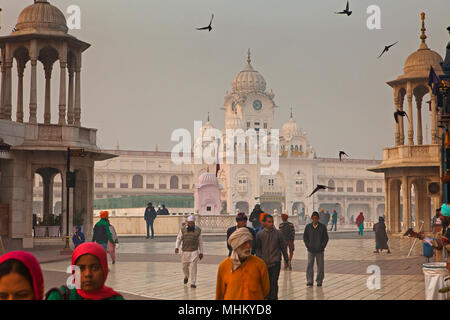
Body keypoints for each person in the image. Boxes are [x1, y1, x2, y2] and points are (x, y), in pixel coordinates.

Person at [46, 242, 124, 300]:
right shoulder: (59, 297)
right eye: (81, 268)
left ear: (104, 270)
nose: (88, 274)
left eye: (95, 268)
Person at [216, 227, 270, 300]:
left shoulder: (260, 264)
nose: (248, 246)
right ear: (236, 245)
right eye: (244, 243)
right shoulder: (224, 266)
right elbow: (220, 294)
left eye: (249, 242)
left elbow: (265, 289)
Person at [255, 214, 289, 300]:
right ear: (265, 223)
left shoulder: (278, 233)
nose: (271, 224)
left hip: (275, 262)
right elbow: (258, 249)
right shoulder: (260, 234)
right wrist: (260, 259)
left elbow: (283, 247)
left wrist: (286, 259)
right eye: (269, 222)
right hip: (264, 263)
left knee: (274, 283)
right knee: (265, 283)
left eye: (272, 222)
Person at [175, 215, 204, 288]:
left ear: (194, 223)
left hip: (194, 251)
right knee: (184, 267)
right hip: (185, 251)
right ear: (187, 223)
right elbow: (179, 239)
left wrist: (201, 252)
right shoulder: (183, 229)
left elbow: (200, 242)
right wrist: (176, 247)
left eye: (192, 223)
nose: (191, 224)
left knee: (193, 267)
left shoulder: (198, 230)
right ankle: (186, 276)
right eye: (189, 223)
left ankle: (193, 283)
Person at [303, 211, 329, 287]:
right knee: (309, 265)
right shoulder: (308, 227)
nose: (315, 219)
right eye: (313, 218)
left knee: (320, 266)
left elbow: (326, 238)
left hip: (320, 250)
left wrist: (322, 246)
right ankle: (309, 280)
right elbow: (305, 237)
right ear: (312, 218)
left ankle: (319, 280)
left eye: (316, 218)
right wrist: (308, 245)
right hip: (310, 250)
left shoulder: (322, 227)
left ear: (318, 218)